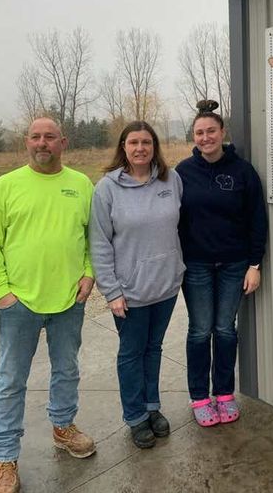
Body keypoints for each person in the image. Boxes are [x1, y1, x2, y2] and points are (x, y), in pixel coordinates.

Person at [0, 117, 96, 493]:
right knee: (11, 381)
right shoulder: (5, 186)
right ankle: (5, 457)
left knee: (67, 369)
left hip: (68, 301)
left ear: (63, 142)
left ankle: (63, 427)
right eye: (35, 137)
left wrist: (89, 274)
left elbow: (94, 238)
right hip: (18, 305)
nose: (42, 143)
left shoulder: (81, 185)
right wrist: (2, 293)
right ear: (25, 142)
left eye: (50, 137)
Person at [89, 121, 184, 449]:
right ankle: (135, 417)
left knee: (153, 349)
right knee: (131, 353)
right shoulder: (107, 188)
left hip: (166, 287)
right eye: (134, 142)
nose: (140, 148)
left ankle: (151, 406)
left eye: (146, 142)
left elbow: (178, 226)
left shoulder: (171, 180)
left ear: (155, 146)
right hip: (129, 293)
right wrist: (111, 291)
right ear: (124, 147)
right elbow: (99, 243)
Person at [176, 100, 267, 427]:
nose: (205, 137)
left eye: (210, 131)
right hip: (196, 265)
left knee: (225, 330)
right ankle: (200, 396)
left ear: (222, 132)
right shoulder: (183, 173)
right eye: (199, 132)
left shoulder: (242, 171)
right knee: (201, 331)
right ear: (194, 136)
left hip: (233, 265)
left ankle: (225, 393)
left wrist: (254, 264)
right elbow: (171, 220)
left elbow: (257, 218)